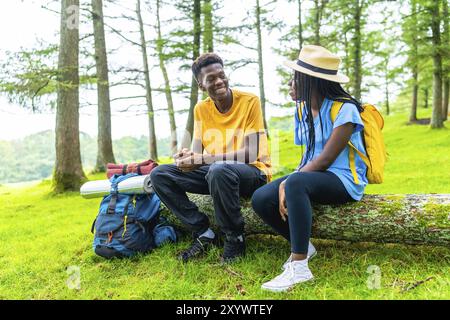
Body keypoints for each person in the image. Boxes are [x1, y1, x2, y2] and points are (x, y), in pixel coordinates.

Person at [251, 45, 368, 292]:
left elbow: (325, 160)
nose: (290, 84)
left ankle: (300, 266)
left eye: (295, 80)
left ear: (311, 81)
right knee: (261, 198)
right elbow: (308, 154)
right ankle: (303, 244)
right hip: (313, 176)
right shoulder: (302, 109)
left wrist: (291, 182)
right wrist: (292, 180)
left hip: (345, 179)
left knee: (293, 182)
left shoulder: (344, 108)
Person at [150, 53, 271, 263]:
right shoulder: (201, 109)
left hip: (253, 172)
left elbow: (250, 153)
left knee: (219, 169)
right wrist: (187, 158)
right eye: (211, 79)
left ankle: (235, 238)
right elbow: (198, 152)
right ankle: (203, 232)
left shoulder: (250, 101)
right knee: (160, 174)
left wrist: (203, 160)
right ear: (201, 86)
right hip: (216, 174)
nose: (219, 81)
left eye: (221, 75)